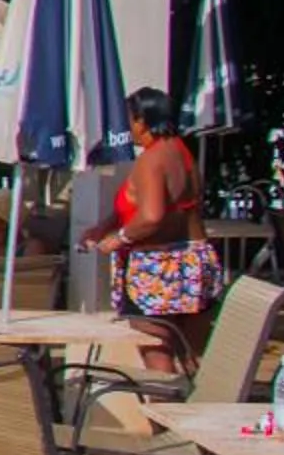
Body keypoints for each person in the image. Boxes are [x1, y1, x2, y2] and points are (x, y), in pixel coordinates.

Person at [85, 86, 222, 360]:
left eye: (128, 119)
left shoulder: (151, 159)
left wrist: (118, 239)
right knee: (191, 357)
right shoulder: (181, 152)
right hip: (195, 261)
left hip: (158, 270)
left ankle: (161, 402)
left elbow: (151, 216)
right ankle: (192, 402)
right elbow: (160, 204)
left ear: (141, 120)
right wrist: (104, 226)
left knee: (157, 355)